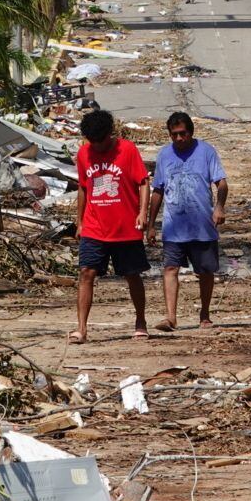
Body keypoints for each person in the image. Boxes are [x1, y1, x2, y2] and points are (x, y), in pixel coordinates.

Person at [73, 109, 152, 343]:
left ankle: (140, 321)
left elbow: (144, 182)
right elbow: (83, 188)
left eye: (101, 140)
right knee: (86, 272)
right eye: (92, 141)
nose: (96, 146)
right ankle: (81, 329)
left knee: (132, 274)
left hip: (125, 227)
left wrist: (143, 213)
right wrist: (79, 222)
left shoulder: (127, 150)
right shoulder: (83, 154)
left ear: (110, 134)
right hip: (94, 227)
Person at [146, 112, 228, 331]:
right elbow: (158, 191)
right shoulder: (164, 155)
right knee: (170, 268)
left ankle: (205, 314)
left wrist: (219, 207)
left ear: (191, 132)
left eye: (183, 133)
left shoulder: (206, 152)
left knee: (205, 271)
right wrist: (151, 224)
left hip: (202, 224)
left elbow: (221, 183)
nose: (179, 138)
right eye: (175, 135)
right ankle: (171, 317)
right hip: (174, 226)